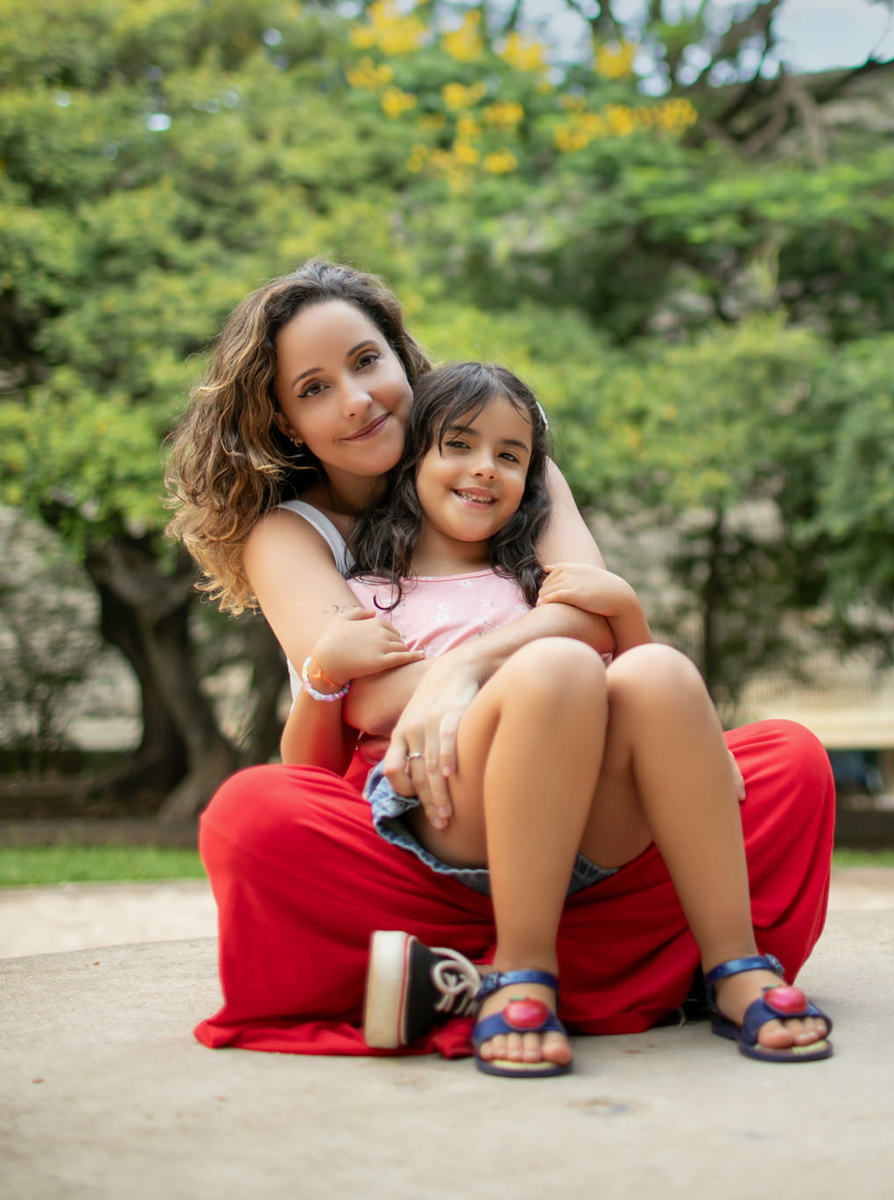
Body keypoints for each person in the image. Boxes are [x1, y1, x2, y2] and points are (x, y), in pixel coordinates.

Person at [167, 259, 835, 1067]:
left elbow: (589, 612)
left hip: (587, 787)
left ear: (401, 357)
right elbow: (372, 701)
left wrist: (460, 668)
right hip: (434, 813)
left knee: (788, 762)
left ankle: (458, 978)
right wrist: (516, 664)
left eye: (367, 360)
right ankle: (565, 971)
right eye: (313, 389)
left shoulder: (506, 462)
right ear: (280, 420)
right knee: (254, 816)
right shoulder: (292, 533)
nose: (356, 398)